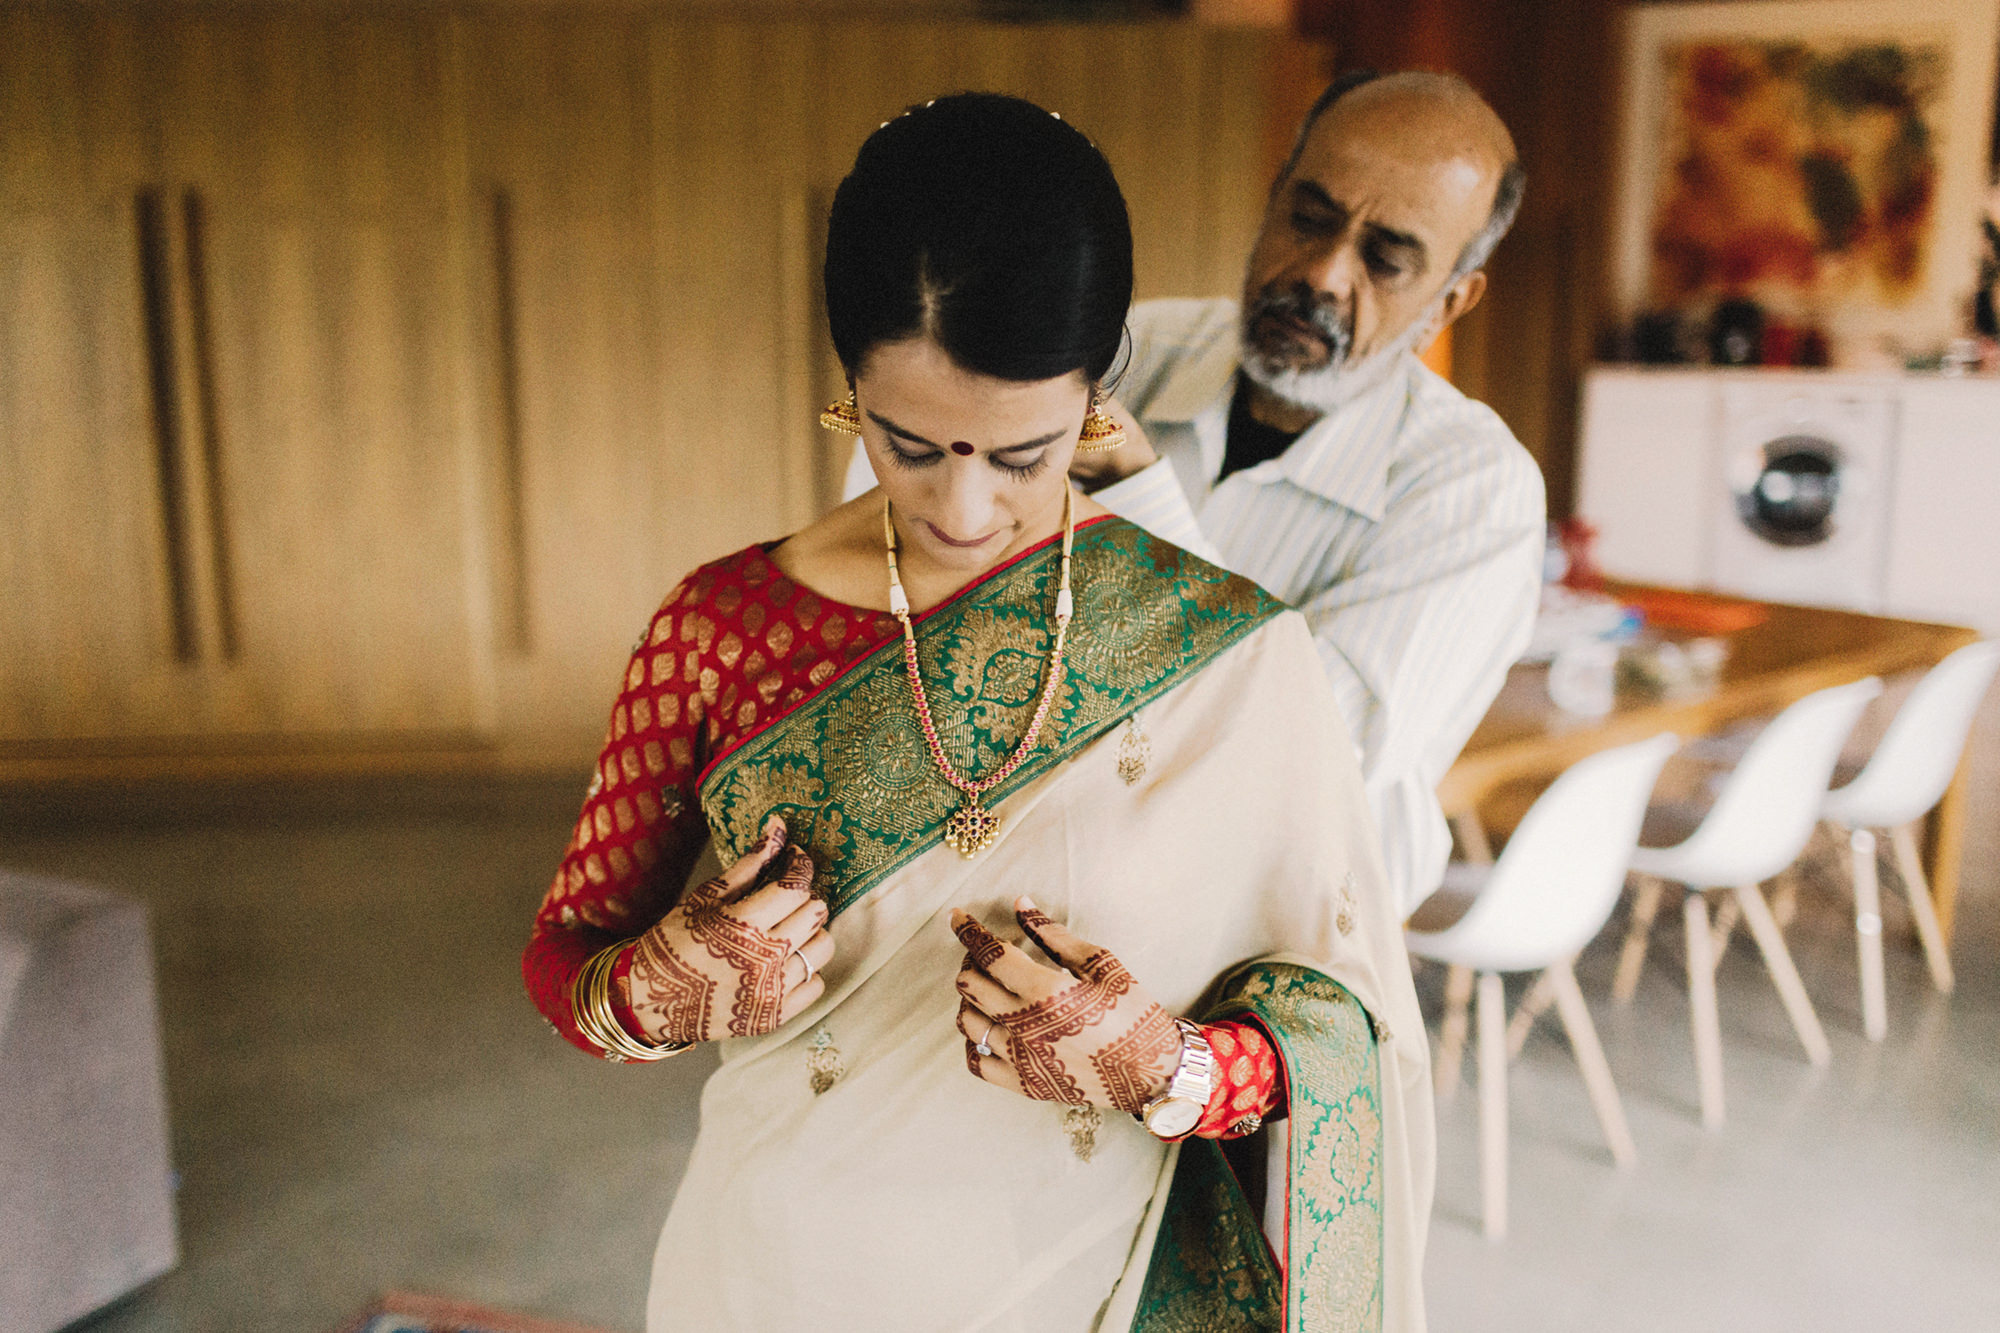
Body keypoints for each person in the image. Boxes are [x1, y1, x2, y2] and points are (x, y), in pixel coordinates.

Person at [525, 94, 1431, 1331]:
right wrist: (652, 994)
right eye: (909, 443)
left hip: (1084, 1283)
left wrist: (1168, 1068)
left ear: (1098, 393)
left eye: (1020, 454)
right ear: (850, 386)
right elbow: (571, 950)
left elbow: (1348, 1040)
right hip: (772, 1270)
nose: (959, 509)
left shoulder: (1229, 651)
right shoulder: (720, 625)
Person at [846, 71, 1545, 914]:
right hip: (1026, 879)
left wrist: (1140, 497)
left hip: (1277, 940)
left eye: (1386, 259)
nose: (1323, 274)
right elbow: (895, 525)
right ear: (1272, 196)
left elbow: (1302, 760)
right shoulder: (1131, 350)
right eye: (1309, 218)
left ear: (1451, 300)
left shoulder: (1476, 492)